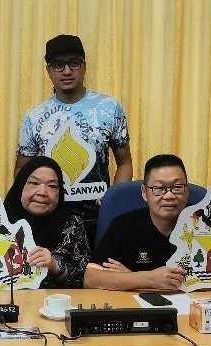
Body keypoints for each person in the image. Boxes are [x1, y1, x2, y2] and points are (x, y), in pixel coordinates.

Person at [16, 34, 133, 243]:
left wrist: (112, 200)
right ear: (49, 71)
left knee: (99, 273)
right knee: (56, 272)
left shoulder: (109, 108)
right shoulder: (34, 117)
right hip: (51, 216)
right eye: (58, 65)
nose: (67, 71)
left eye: (74, 63)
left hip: (99, 215)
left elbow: (124, 162)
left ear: (84, 67)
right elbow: (21, 170)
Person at [0, 156, 90, 289]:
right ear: (20, 186)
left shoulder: (72, 223)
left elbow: (87, 279)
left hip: (53, 308)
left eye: (52, 186)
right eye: (34, 183)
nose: (42, 192)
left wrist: (55, 266)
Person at [84, 154, 191, 291]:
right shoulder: (124, 225)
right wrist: (149, 279)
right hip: (136, 309)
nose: (169, 195)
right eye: (159, 188)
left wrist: (130, 278)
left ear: (187, 191)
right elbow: (90, 279)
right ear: (144, 193)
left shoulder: (204, 223)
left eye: (177, 187)